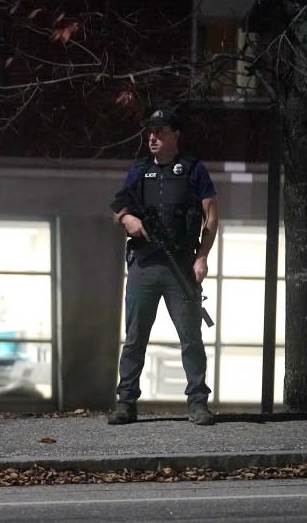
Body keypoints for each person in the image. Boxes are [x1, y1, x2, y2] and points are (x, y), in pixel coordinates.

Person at [108, 106, 219, 426]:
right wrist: (128, 218)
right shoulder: (140, 170)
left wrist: (202, 257)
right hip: (144, 265)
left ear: (175, 135)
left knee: (190, 336)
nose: (153, 137)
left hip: (181, 266)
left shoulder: (193, 169)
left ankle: (198, 402)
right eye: (150, 132)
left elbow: (211, 216)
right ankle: (125, 402)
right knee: (135, 337)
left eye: (160, 131)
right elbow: (118, 208)